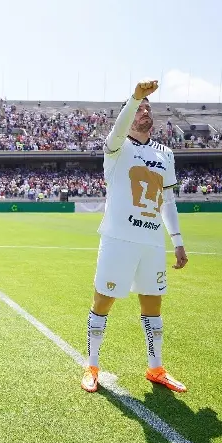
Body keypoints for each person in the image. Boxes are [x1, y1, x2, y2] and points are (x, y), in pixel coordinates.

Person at [81, 79, 189, 393]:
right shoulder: (116, 147)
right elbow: (117, 130)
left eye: (147, 108)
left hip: (152, 241)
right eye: (139, 108)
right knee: (103, 301)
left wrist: (178, 241)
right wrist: (134, 97)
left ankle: (156, 368)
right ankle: (92, 365)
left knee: (153, 306)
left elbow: (167, 201)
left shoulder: (165, 154)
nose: (145, 112)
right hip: (118, 239)